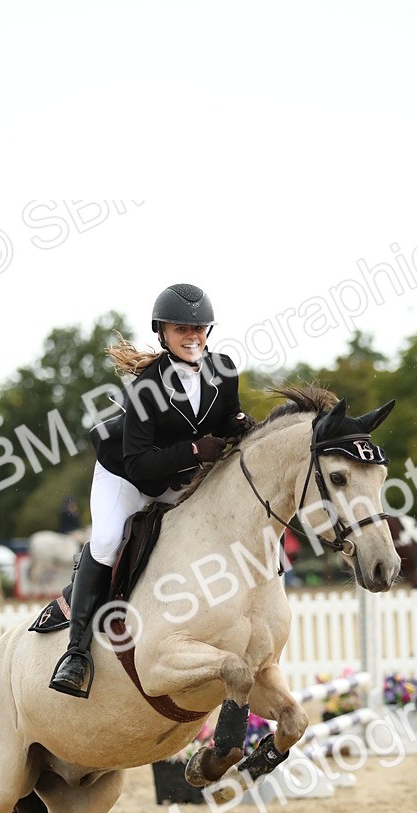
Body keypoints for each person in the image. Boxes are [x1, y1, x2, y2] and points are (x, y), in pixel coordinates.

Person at [49, 283, 254, 697]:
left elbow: (226, 417)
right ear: (162, 333)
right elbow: (140, 462)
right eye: (182, 329)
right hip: (126, 476)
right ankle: (76, 653)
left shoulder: (224, 369)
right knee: (107, 540)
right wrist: (196, 449)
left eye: (199, 329)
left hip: (176, 477)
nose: (192, 336)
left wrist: (242, 426)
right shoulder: (146, 386)